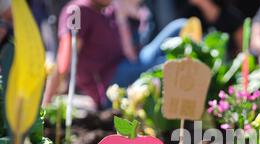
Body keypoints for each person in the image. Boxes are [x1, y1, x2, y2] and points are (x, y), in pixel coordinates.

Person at [43, 0, 185, 109]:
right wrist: (46, 103)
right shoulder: (78, 11)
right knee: (169, 63)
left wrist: (121, 16)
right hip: (109, 81)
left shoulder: (108, 9)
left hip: (128, 63)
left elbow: (129, 53)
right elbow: (65, 62)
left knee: (180, 26)